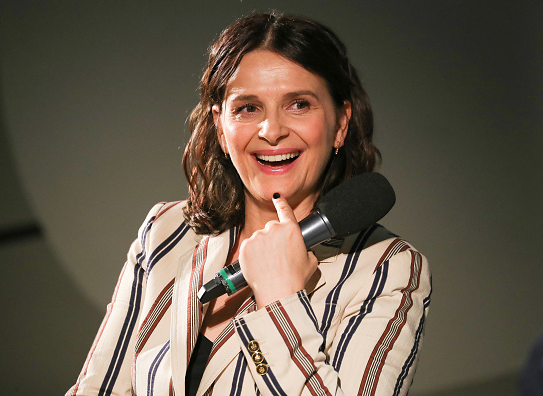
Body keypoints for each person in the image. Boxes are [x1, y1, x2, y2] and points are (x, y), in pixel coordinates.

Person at [66, 12, 431, 396]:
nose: (272, 130)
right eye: (248, 108)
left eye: (299, 104)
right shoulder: (166, 231)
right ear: (221, 129)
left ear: (341, 124)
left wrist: (279, 298)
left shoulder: (387, 270)